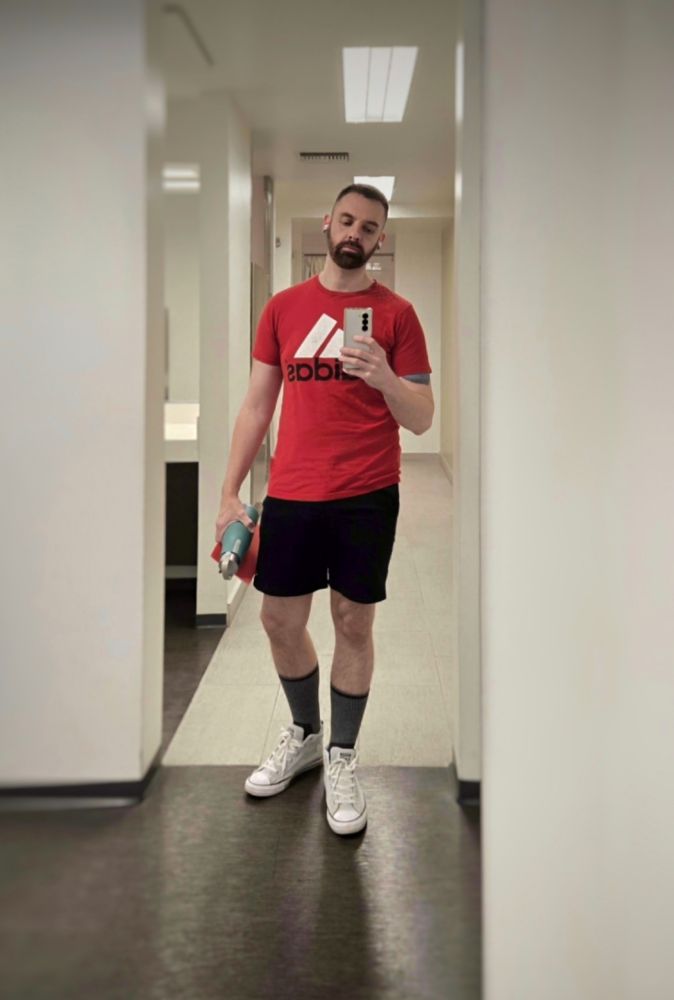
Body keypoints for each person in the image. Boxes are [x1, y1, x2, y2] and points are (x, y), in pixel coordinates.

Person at [215, 183, 434, 836]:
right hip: (292, 491)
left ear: (379, 239)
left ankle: (342, 754)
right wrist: (229, 491)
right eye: (346, 221)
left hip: (367, 493)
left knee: (353, 622)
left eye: (368, 227)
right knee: (279, 619)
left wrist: (384, 377)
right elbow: (258, 405)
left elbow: (422, 418)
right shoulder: (283, 308)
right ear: (327, 224)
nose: (355, 234)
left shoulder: (398, 315)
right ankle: (306, 734)